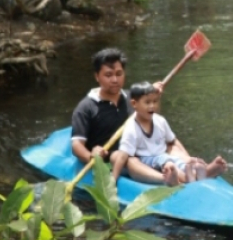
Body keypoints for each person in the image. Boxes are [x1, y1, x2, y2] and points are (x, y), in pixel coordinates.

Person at [69, 48, 167, 184]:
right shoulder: (86, 108)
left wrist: (153, 97)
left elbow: (152, 121)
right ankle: (166, 180)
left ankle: (194, 170)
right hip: (113, 161)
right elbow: (77, 145)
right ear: (97, 76)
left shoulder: (133, 100)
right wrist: (91, 156)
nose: (115, 80)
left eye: (119, 74)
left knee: (172, 142)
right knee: (129, 160)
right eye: (108, 75)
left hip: (143, 153)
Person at [116, 81, 227, 186]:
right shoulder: (131, 127)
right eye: (147, 102)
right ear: (134, 104)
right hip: (146, 160)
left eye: (155, 101)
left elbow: (172, 141)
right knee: (168, 163)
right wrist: (113, 178)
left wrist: (187, 159)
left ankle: (197, 172)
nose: (152, 106)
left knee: (176, 160)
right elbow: (123, 155)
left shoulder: (160, 121)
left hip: (163, 156)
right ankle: (185, 178)